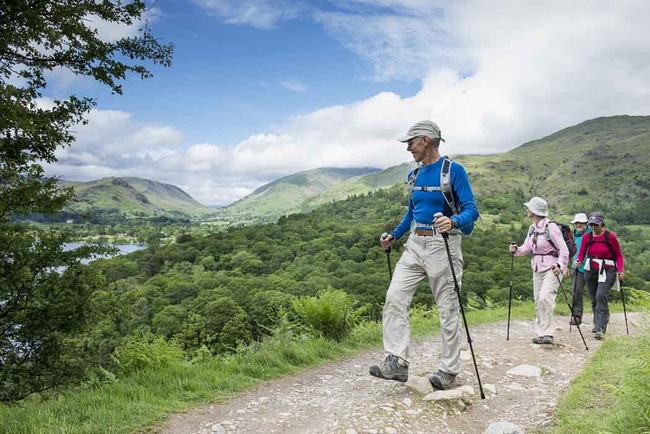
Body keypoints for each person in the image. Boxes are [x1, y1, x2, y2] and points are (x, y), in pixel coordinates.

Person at [369, 120, 479, 390]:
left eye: (411, 142)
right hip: (415, 245)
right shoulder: (415, 175)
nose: (408, 148)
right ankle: (397, 362)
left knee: (447, 309)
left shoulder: (454, 171)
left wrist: (452, 222)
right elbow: (412, 212)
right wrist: (395, 234)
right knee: (394, 297)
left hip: (443, 246)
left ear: (426, 140)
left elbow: (471, 210)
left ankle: (449, 370)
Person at [509, 197, 569, 345]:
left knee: (545, 297)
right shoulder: (533, 228)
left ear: (535, 211)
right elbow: (526, 248)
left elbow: (564, 250)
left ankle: (548, 333)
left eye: (529, 208)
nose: (527, 210)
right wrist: (516, 250)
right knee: (538, 300)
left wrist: (560, 265)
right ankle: (542, 333)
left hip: (553, 268)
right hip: (537, 267)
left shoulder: (551, 227)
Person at [574, 212, 625, 340]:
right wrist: (578, 261)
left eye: (596, 224)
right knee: (594, 298)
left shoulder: (610, 237)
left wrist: (620, 270)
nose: (593, 227)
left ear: (602, 223)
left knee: (601, 295)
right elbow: (581, 253)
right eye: (591, 224)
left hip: (608, 269)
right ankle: (599, 322)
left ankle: (600, 328)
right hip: (591, 268)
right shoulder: (587, 237)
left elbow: (618, 255)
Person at [569, 213, 590, 326]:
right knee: (576, 291)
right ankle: (576, 315)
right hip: (576, 267)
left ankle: (600, 317)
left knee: (596, 293)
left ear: (586, 223)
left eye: (580, 223)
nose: (578, 225)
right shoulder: (572, 235)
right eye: (576, 223)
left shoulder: (592, 233)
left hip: (591, 267)